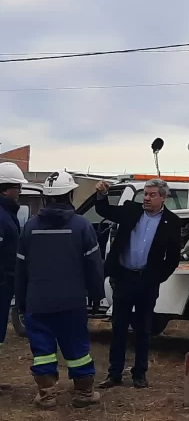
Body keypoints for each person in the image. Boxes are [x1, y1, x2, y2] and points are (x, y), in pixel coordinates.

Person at [15, 170, 105, 409]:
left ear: (46, 197)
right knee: (77, 348)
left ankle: (46, 395)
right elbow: (94, 266)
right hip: (72, 302)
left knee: (42, 350)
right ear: (70, 195)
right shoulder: (82, 226)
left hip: (38, 301)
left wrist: (22, 301)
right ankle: (84, 393)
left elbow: (20, 269)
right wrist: (97, 296)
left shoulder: (30, 227)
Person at [94, 178, 181, 389]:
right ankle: (114, 374)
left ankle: (139, 374)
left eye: (152, 195)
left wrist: (157, 278)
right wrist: (101, 195)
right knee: (119, 327)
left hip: (147, 281)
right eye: (145, 194)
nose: (147, 198)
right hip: (124, 278)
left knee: (143, 329)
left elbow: (173, 258)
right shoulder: (131, 211)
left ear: (163, 197)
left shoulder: (172, 221)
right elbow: (103, 210)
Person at [0, 162, 26, 392]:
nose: (19, 191)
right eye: (17, 187)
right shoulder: (1, 216)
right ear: (5, 189)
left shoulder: (8, 214)